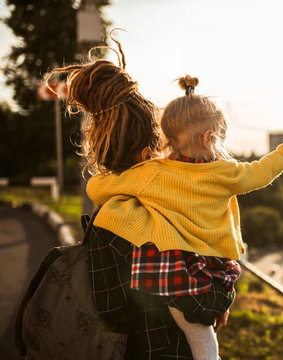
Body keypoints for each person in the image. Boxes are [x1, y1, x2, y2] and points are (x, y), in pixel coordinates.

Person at [85, 74, 283, 359]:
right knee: (202, 337)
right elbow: (261, 172)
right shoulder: (224, 173)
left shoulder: (152, 172)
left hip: (170, 270)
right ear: (208, 137)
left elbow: (98, 188)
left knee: (195, 330)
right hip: (208, 269)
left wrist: (113, 180)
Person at [48, 38, 232, 359]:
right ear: (149, 153)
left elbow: (111, 311)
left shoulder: (105, 217)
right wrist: (223, 298)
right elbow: (200, 303)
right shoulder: (164, 213)